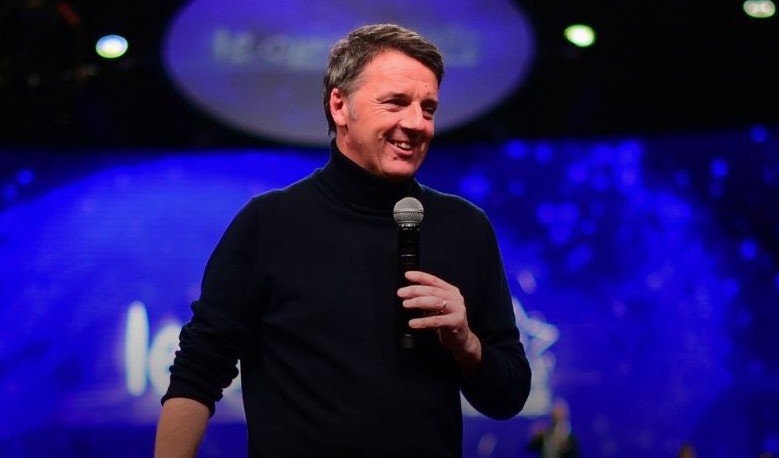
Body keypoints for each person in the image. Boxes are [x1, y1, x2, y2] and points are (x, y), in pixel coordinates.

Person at [153, 23, 531, 458]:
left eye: (428, 109)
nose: (416, 124)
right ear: (340, 105)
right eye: (395, 102)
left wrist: (467, 344)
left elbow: (509, 396)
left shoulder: (464, 228)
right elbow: (199, 368)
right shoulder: (269, 223)